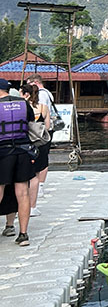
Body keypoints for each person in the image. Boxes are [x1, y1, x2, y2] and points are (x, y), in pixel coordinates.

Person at [0, 78, 35, 246]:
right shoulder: (23, 103)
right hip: (23, 151)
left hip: (3, 152)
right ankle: (23, 234)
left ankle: (10, 226)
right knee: (23, 193)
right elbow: (30, 122)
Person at [22, 82, 50, 217]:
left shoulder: (23, 107)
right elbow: (48, 125)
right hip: (40, 141)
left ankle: (20, 206)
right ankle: (33, 205)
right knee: (37, 174)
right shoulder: (43, 107)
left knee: (24, 177)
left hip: (24, 142)